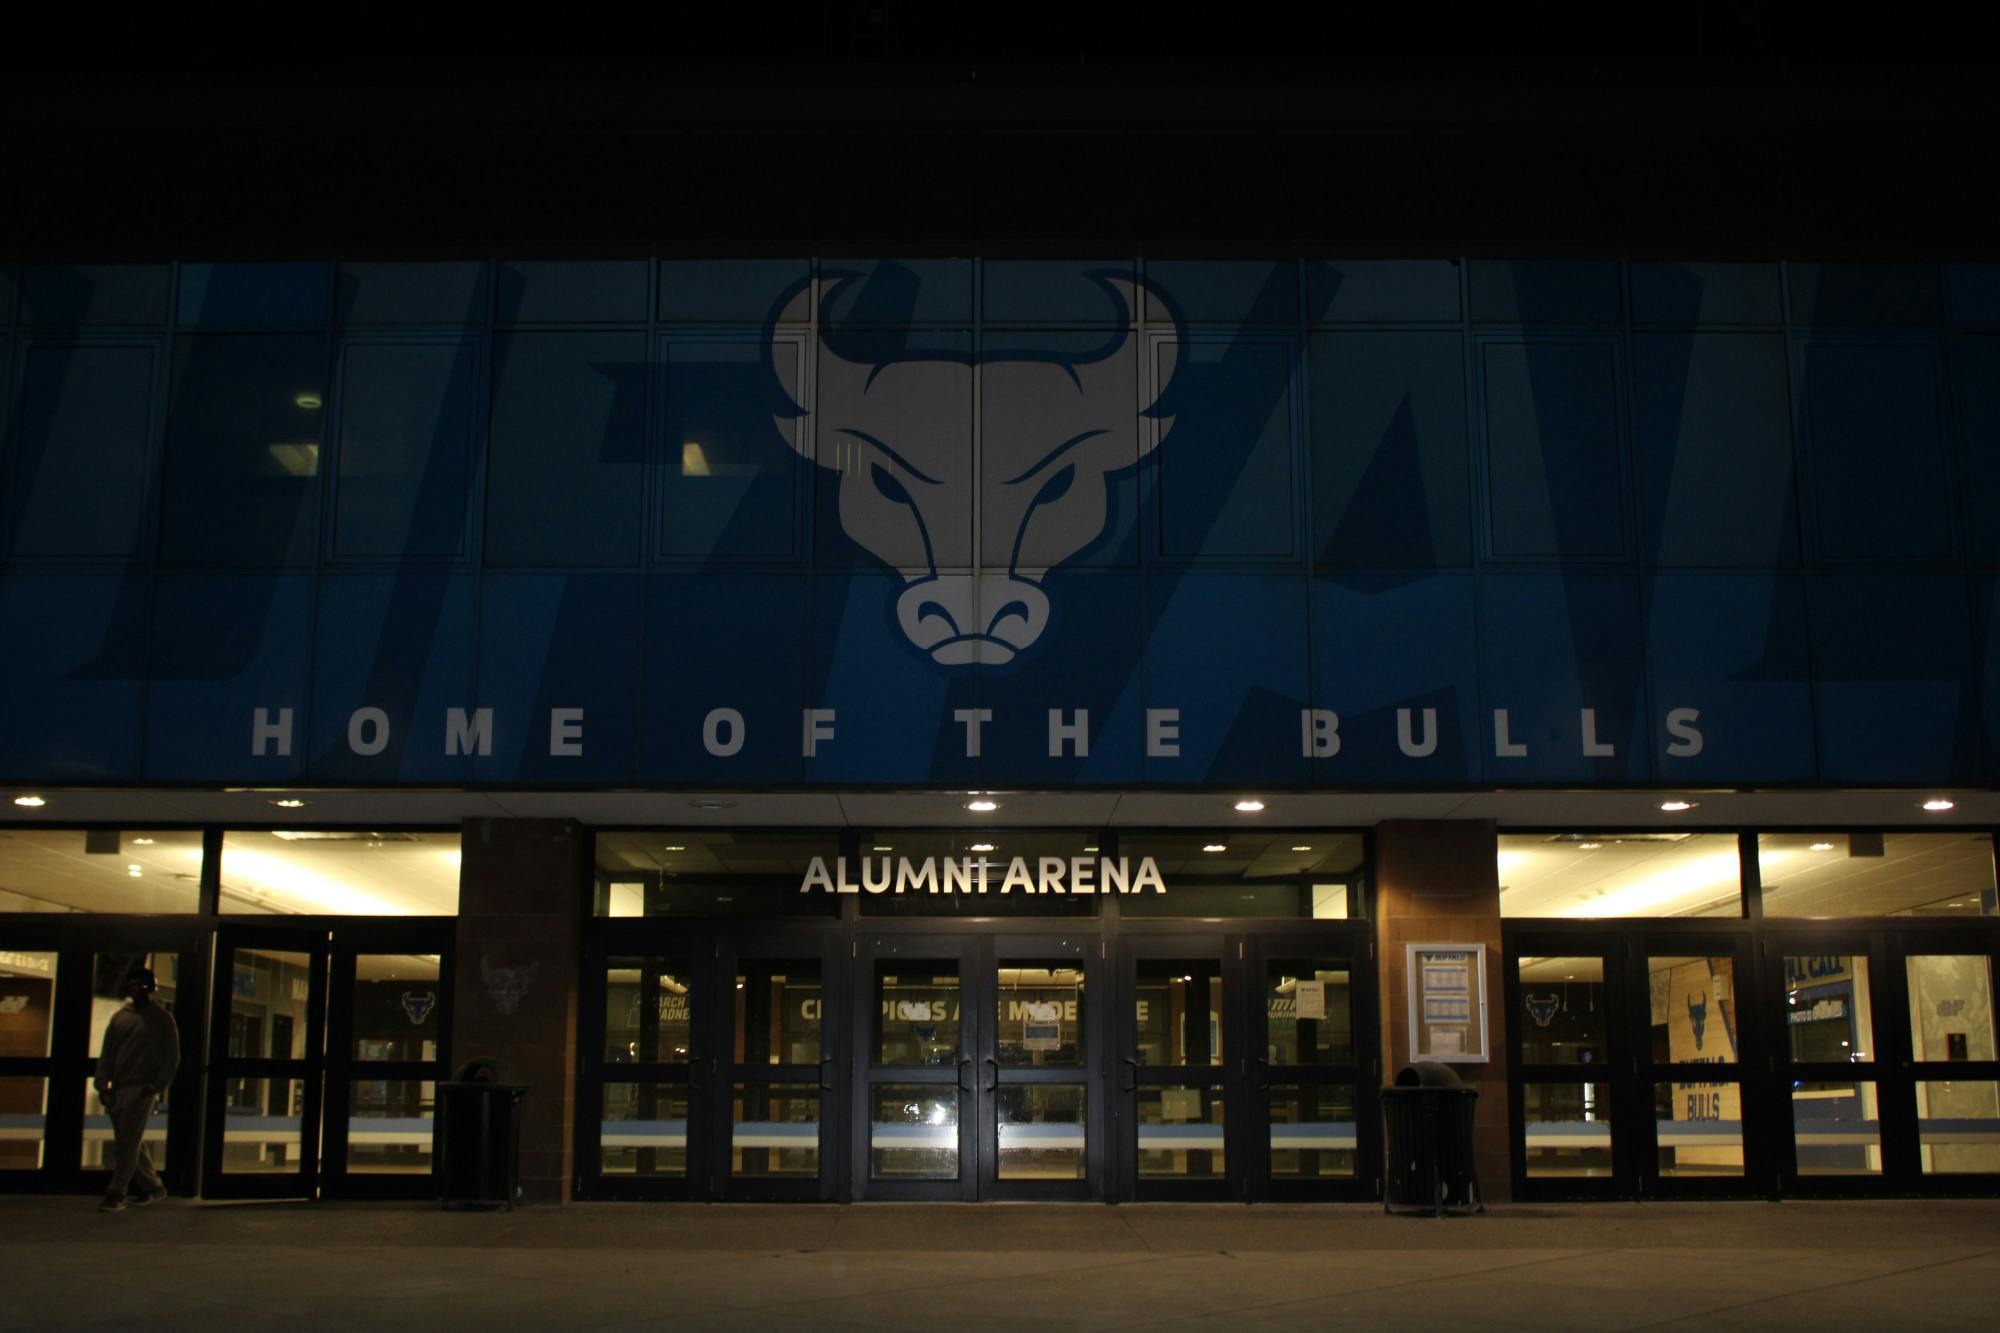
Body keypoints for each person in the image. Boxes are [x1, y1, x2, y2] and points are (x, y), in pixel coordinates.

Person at [93, 966, 179, 1213]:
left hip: (142, 1088)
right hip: (119, 1087)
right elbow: (107, 1054)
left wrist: (156, 1086)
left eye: (142, 987)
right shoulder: (119, 1018)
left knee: (128, 1140)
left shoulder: (162, 1019)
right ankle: (152, 1186)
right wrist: (103, 1084)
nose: (137, 992)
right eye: (134, 987)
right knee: (129, 1139)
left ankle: (117, 1190)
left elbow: (171, 1057)